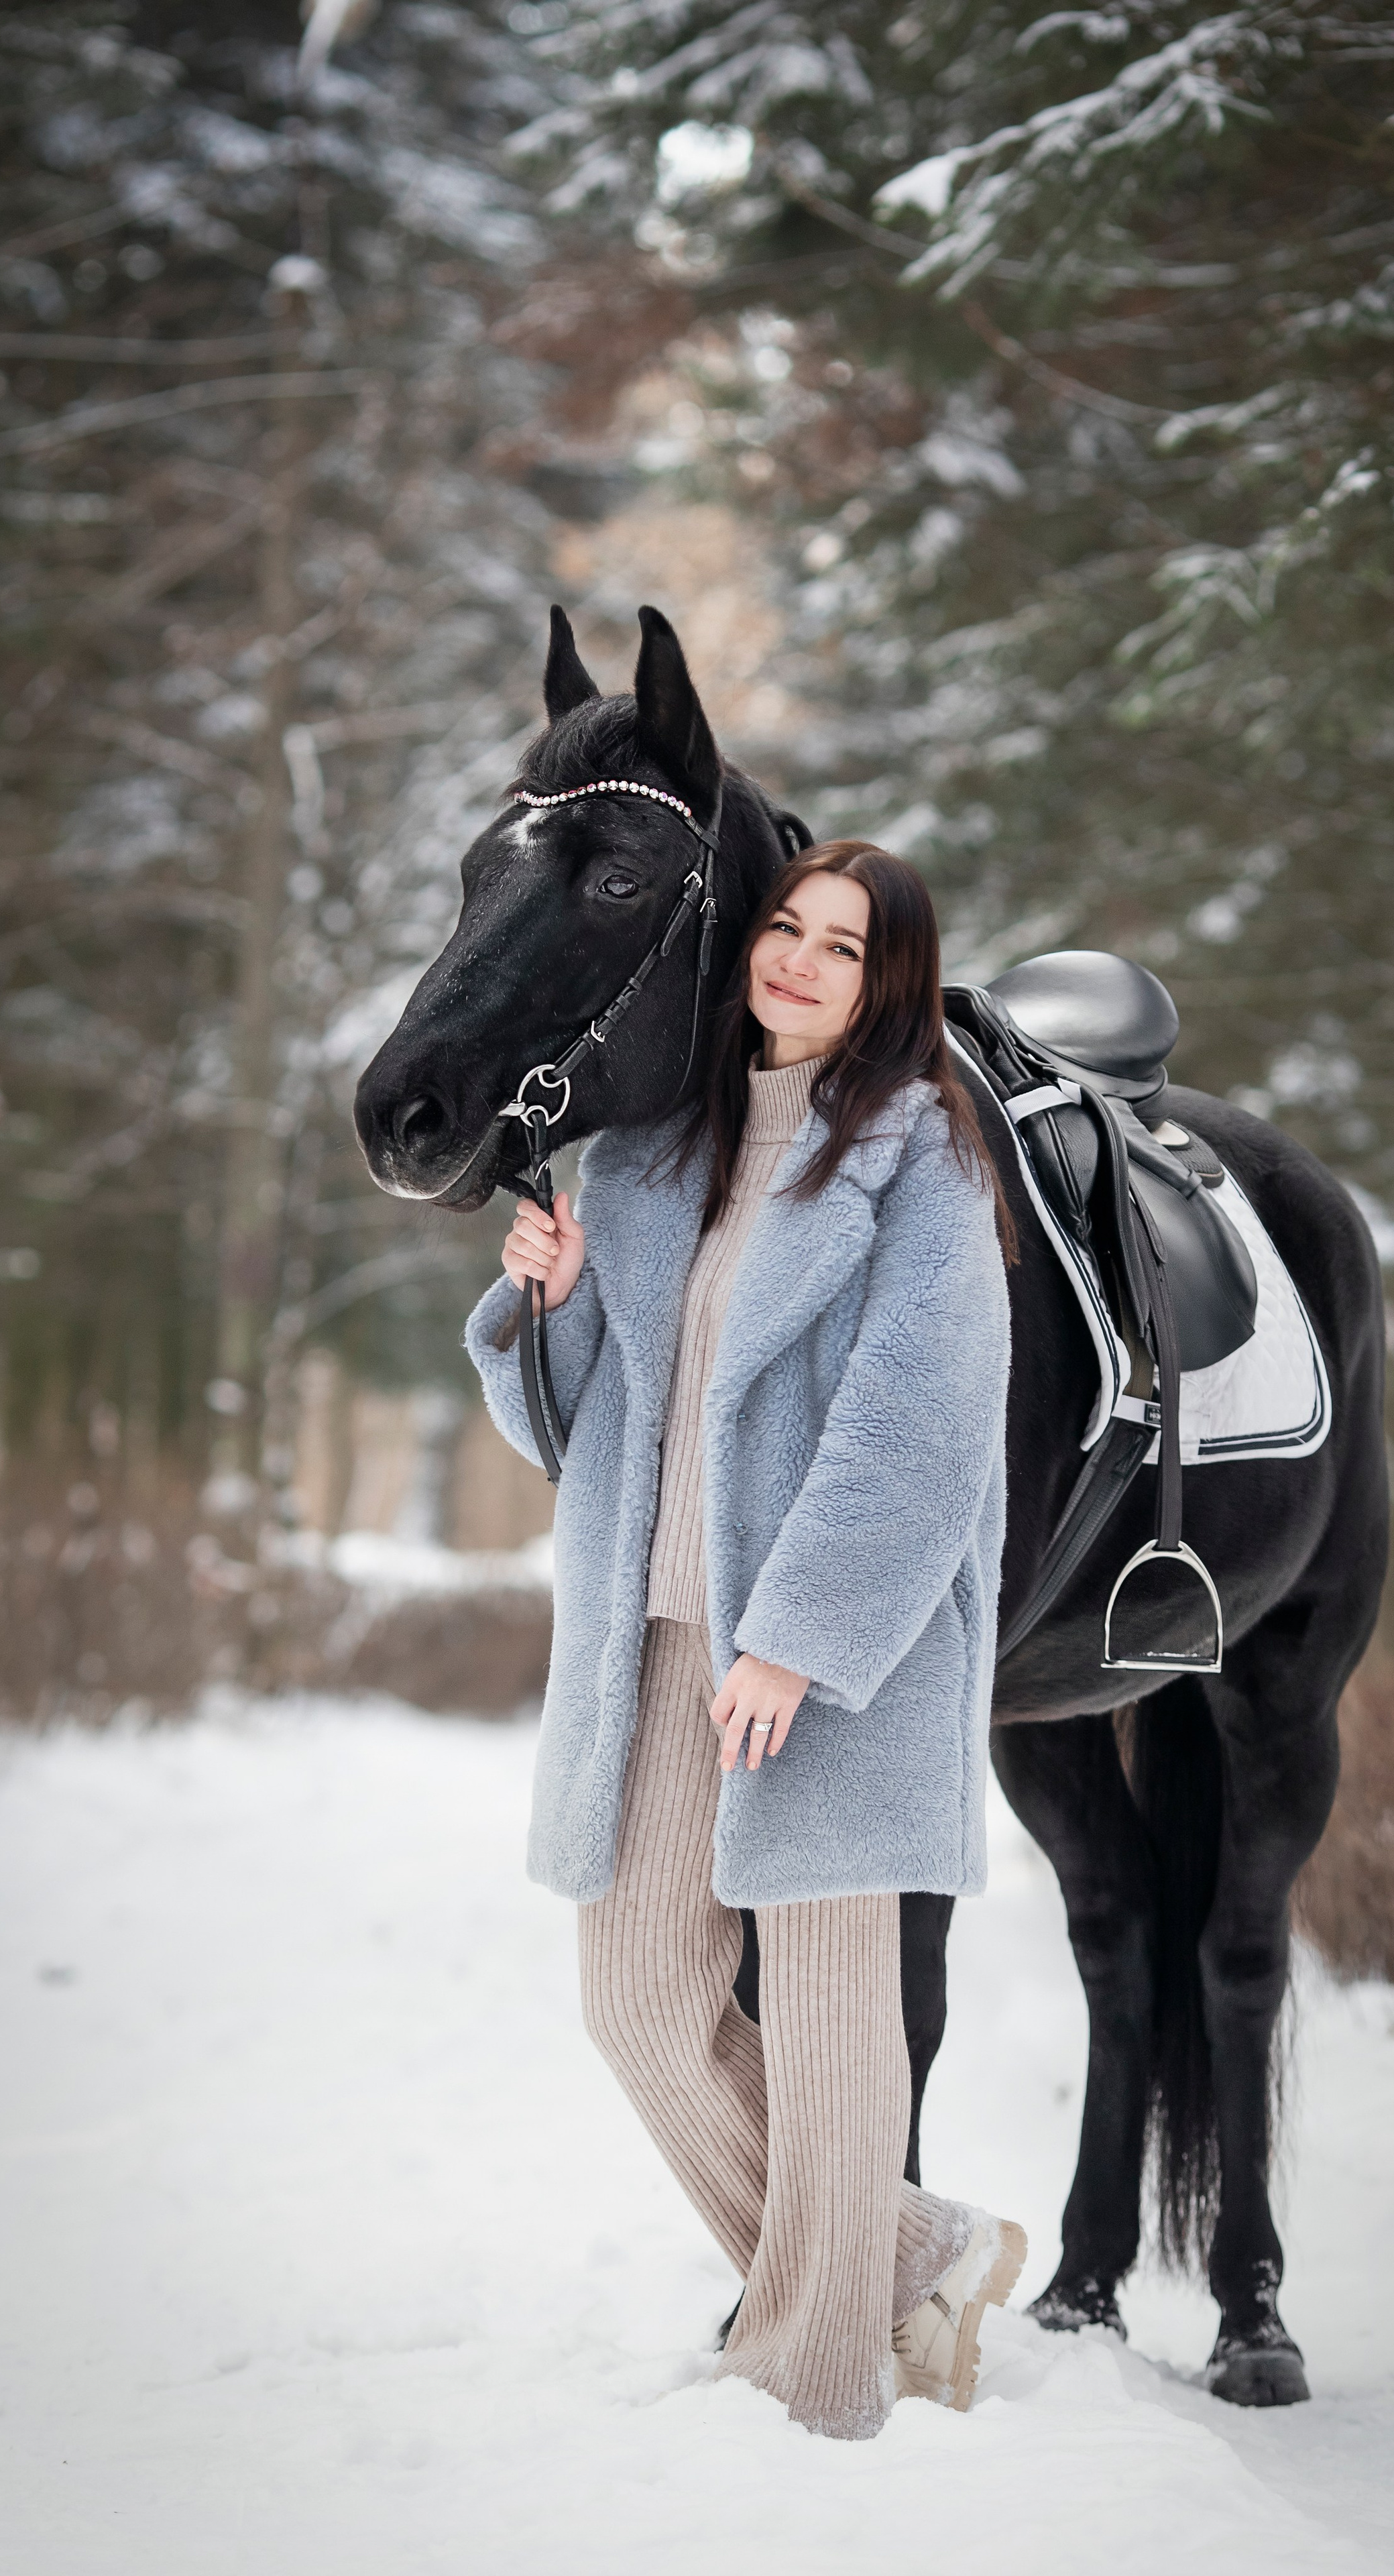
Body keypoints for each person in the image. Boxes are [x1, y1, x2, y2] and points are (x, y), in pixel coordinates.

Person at [466, 838, 1023, 2441]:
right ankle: (914, 2251)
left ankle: (805, 2377)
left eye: (840, 948)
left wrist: (796, 1641)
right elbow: (590, 1437)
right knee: (635, 1999)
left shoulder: (926, 1162)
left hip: (826, 1657)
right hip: (652, 1646)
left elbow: (918, 1428)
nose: (795, 960)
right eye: (784, 927)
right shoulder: (656, 1153)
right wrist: (555, 1302)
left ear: (884, 985)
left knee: (838, 2026)